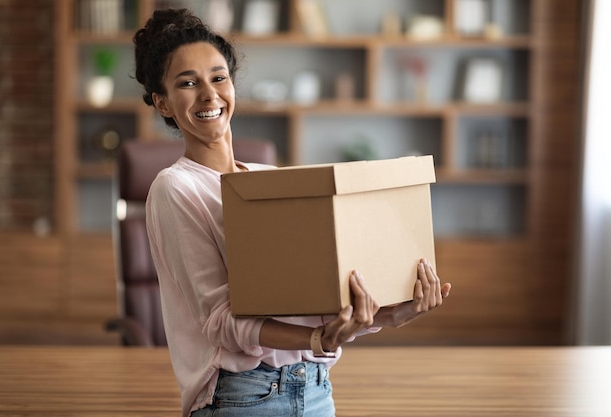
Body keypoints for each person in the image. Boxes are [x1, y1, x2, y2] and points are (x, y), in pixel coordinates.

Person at [135, 8, 451, 417]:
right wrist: (319, 338)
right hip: (242, 395)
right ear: (162, 103)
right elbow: (220, 323)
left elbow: (314, 300)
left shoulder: (270, 180)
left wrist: (390, 314)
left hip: (316, 388)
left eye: (218, 78)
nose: (209, 94)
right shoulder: (175, 188)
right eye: (187, 83)